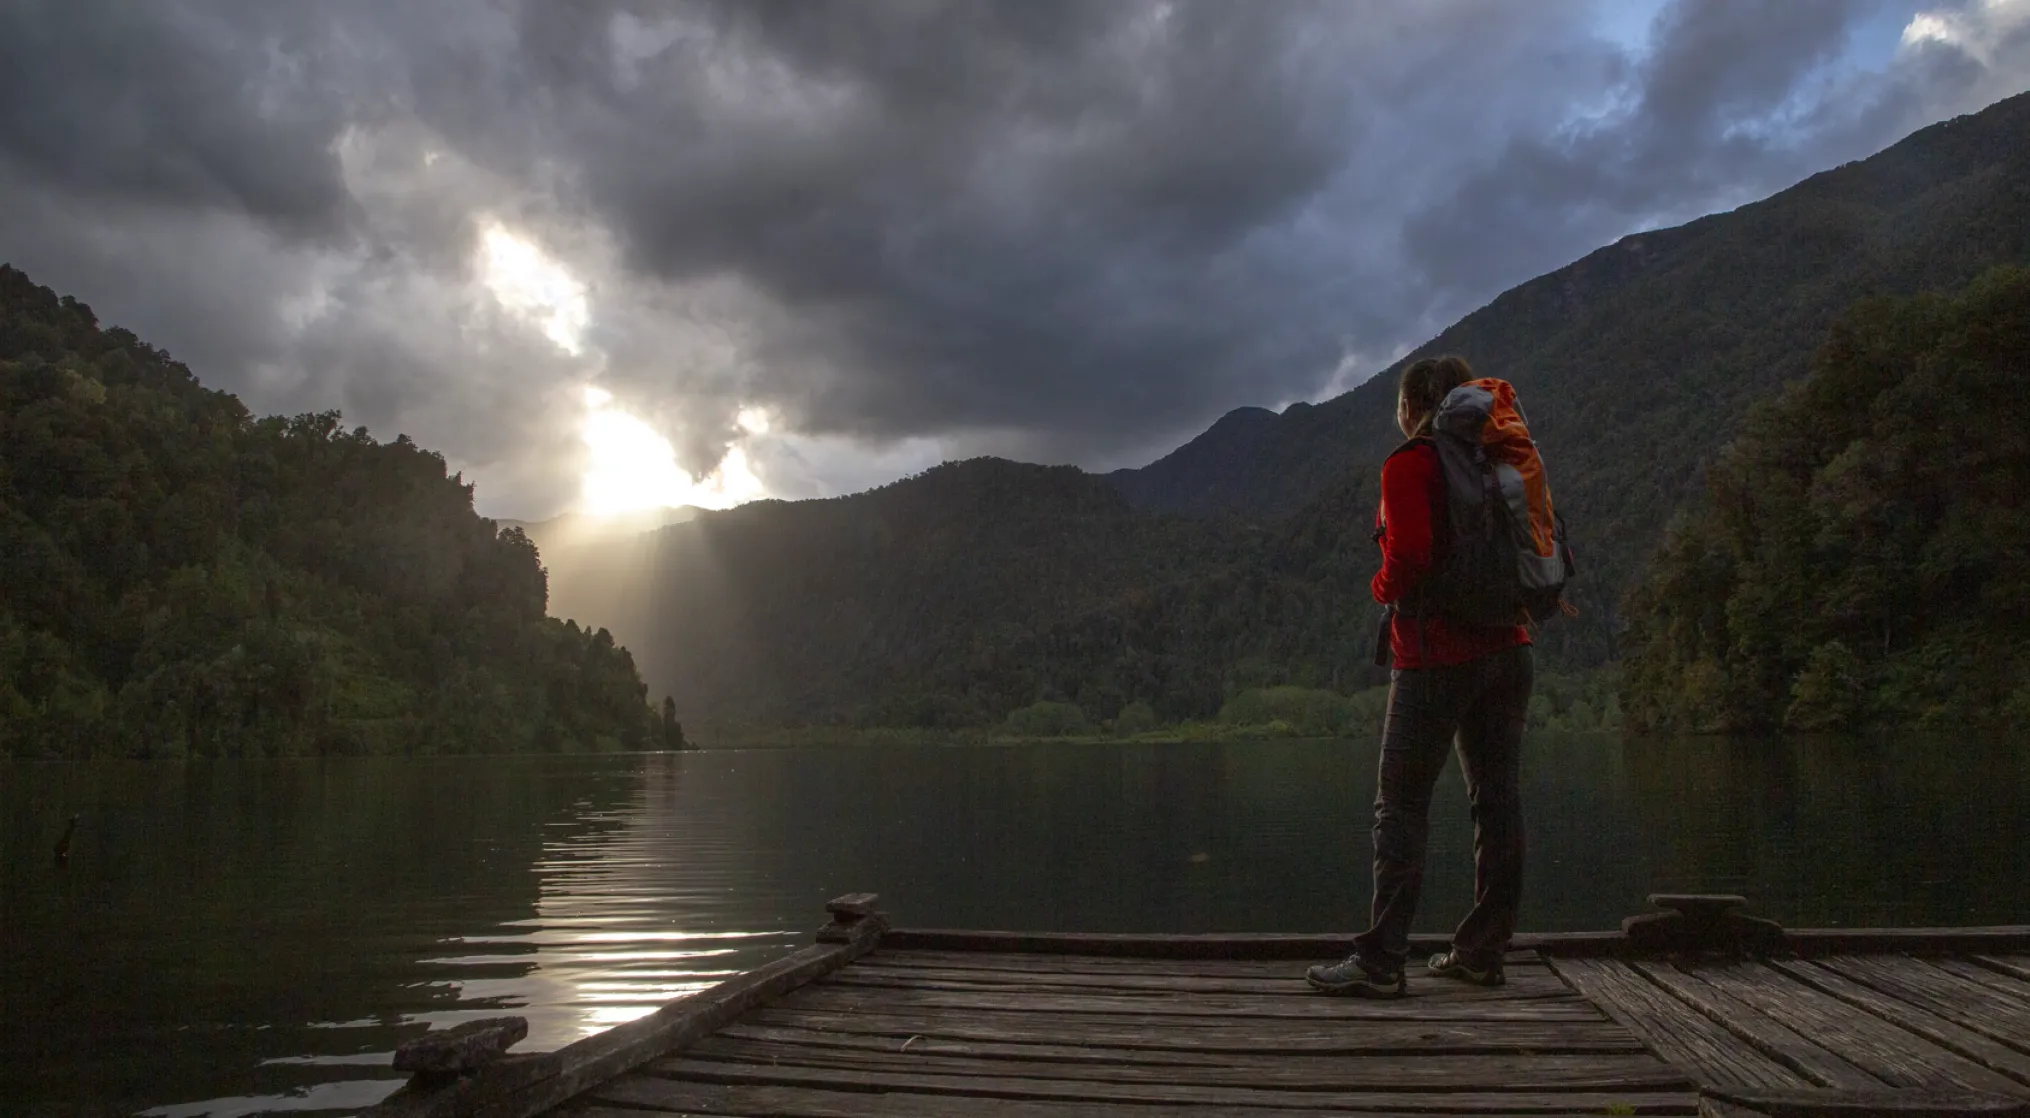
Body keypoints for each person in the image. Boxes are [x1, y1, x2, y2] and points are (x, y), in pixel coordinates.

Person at [1306, 354, 1535, 997]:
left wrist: (1379, 585)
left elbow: (1407, 557)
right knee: (1498, 803)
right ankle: (1483, 953)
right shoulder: (1504, 460)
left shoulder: (1409, 463)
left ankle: (1381, 962)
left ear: (1412, 407)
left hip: (1436, 657)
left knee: (1401, 806)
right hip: (1511, 651)